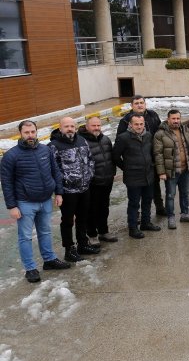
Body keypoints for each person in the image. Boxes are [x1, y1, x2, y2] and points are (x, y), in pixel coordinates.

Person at [1, 120, 71, 282]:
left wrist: (58, 193)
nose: (30, 135)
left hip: (46, 200)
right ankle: (30, 268)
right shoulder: (11, 156)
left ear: (36, 132)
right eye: (27, 133)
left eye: (33, 132)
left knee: (45, 231)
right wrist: (12, 206)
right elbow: (6, 183)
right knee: (25, 236)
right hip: (25, 202)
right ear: (21, 133)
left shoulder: (45, 150)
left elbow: (56, 172)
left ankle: (49, 260)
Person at [49, 117, 98, 262]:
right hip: (68, 191)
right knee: (68, 221)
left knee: (83, 218)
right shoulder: (53, 146)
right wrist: (61, 187)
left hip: (84, 188)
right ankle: (69, 250)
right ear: (60, 128)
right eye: (66, 126)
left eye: (72, 126)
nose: (70, 129)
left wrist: (89, 175)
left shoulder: (82, 141)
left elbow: (90, 159)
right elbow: (53, 169)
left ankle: (83, 244)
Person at [117, 95, 164, 216]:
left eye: (141, 102)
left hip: (152, 157)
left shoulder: (153, 115)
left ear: (145, 104)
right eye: (136, 103)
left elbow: (160, 131)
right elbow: (120, 143)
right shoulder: (125, 120)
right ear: (132, 106)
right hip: (135, 161)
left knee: (155, 185)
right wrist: (126, 166)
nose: (139, 105)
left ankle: (159, 207)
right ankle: (136, 214)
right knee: (135, 193)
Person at [113, 114, 158, 238]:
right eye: (136, 124)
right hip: (133, 177)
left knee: (148, 200)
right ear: (130, 125)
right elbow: (115, 156)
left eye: (141, 124)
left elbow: (151, 152)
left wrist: (152, 165)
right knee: (134, 203)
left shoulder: (148, 135)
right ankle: (133, 228)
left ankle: (146, 222)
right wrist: (126, 167)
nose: (139, 126)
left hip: (148, 175)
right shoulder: (123, 138)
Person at [153, 109, 189, 229]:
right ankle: (171, 218)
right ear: (168, 119)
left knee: (185, 193)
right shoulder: (160, 134)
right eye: (173, 119)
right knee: (170, 195)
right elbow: (158, 154)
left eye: (178, 118)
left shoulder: (185, 129)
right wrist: (162, 172)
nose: (176, 121)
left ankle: (185, 214)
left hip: (185, 169)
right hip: (171, 171)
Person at [78, 116, 118, 245]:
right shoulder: (81, 141)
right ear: (87, 126)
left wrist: (112, 173)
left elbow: (110, 158)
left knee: (104, 207)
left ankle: (103, 231)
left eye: (98, 126)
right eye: (93, 126)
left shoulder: (105, 139)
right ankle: (92, 234)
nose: (96, 128)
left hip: (106, 180)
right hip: (92, 183)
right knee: (91, 209)